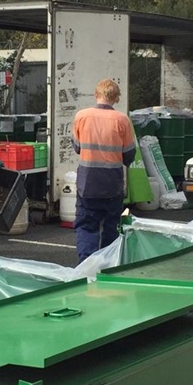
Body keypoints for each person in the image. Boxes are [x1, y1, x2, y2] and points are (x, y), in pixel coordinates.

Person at [71, 79, 136, 263]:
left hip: (87, 184)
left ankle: (86, 265)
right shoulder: (122, 120)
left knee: (86, 226)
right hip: (112, 185)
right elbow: (129, 155)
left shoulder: (81, 117)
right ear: (116, 98)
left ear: (96, 94)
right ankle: (108, 265)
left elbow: (77, 147)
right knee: (111, 227)